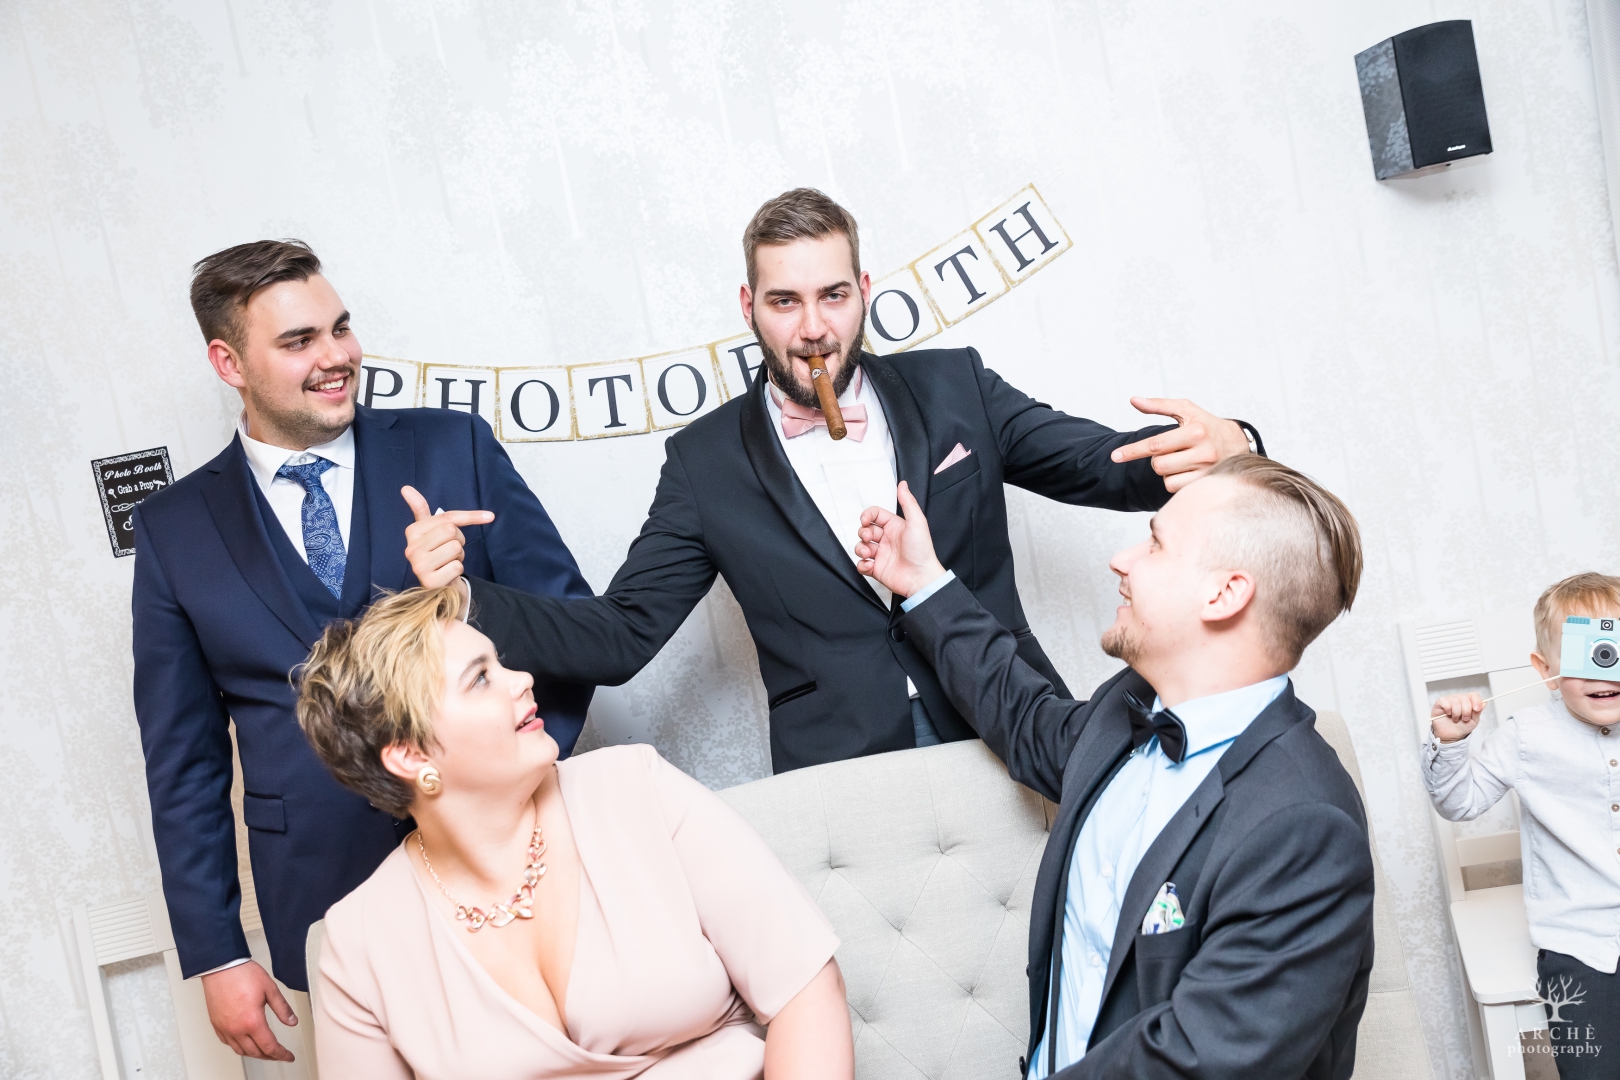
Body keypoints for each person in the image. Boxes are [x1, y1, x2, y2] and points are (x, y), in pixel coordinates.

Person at [407, 187, 1264, 774]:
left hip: (1009, 728)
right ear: (748, 307)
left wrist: (1231, 445)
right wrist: (464, 596)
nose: (813, 328)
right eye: (785, 302)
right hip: (841, 775)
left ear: (864, 291)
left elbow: (1102, 465)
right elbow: (621, 636)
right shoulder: (706, 463)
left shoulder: (956, 387)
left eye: (833, 296)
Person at [131, 240, 594, 1063]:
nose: (337, 356)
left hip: (519, 862)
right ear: (228, 363)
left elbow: (573, 631)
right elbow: (183, 761)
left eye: (340, 328)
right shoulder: (174, 530)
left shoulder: (453, 448)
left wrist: (516, 779)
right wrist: (216, 951)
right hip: (323, 889)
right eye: (299, 340)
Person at [853, 455, 1374, 1078]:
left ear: (1224, 594)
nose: (1122, 560)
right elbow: (1024, 718)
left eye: (1155, 544)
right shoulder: (1123, 711)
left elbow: (1199, 1063)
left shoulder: (1305, 827)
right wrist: (924, 582)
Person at [296, 584, 851, 1079]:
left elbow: (805, 989)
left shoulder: (637, 788)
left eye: (500, 663)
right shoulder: (359, 943)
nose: (523, 679)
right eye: (481, 678)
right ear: (411, 756)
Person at [1425, 572, 1620, 1080]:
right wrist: (1451, 743)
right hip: (1578, 938)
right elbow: (1460, 803)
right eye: (1586, 653)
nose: (1605, 665)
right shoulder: (1526, 736)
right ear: (1547, 670)